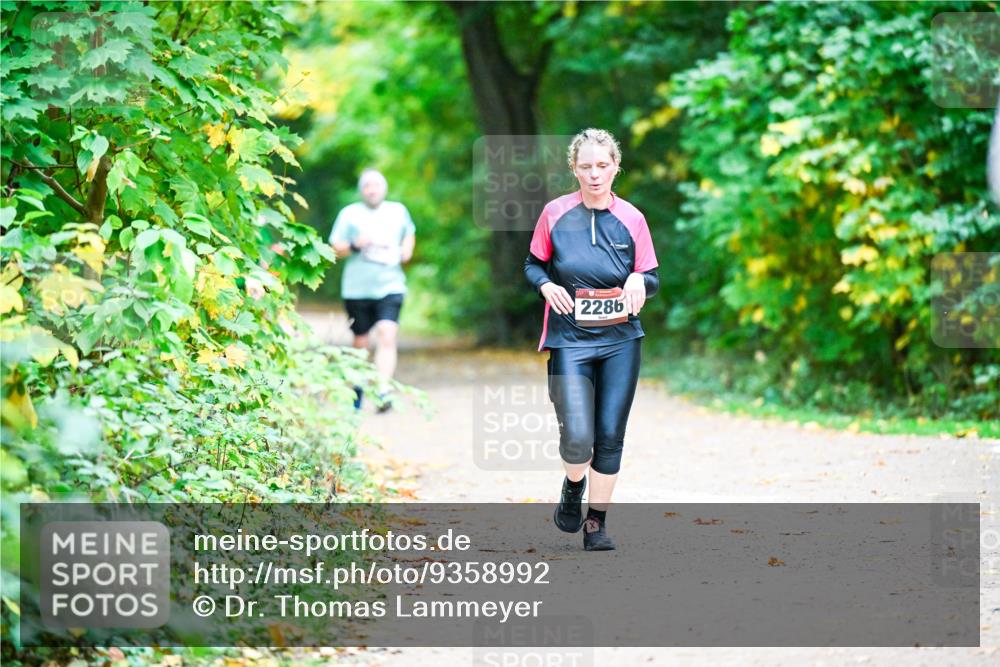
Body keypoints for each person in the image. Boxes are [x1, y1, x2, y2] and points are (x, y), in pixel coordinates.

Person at [523, 129, 659, 551]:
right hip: (569, 339)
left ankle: (595, 524)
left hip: (621, 339)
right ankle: (572, 485)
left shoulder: (633, 219)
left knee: (610, 434)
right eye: (586, 166)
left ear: (616, 166)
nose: (595, 174)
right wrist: (546, 286)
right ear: (574, 169)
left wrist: (639, 279)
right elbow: (533, 265)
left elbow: (652, 277)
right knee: (577, 439)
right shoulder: (554, 213)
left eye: (603, 165)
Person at [329, 169, 416, 413]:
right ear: (361, 190)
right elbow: (334, 249)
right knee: (361, 342)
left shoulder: (397, 211)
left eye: (376, 185)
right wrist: (356, 245)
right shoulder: (349, 214)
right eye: (367, 186)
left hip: (391, 285)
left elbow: (410, 232)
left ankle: (383, 389)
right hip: (357, 289)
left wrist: (406, 251)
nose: (372, 189)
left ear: (384, 188)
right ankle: (356, 388)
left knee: (387, 334)